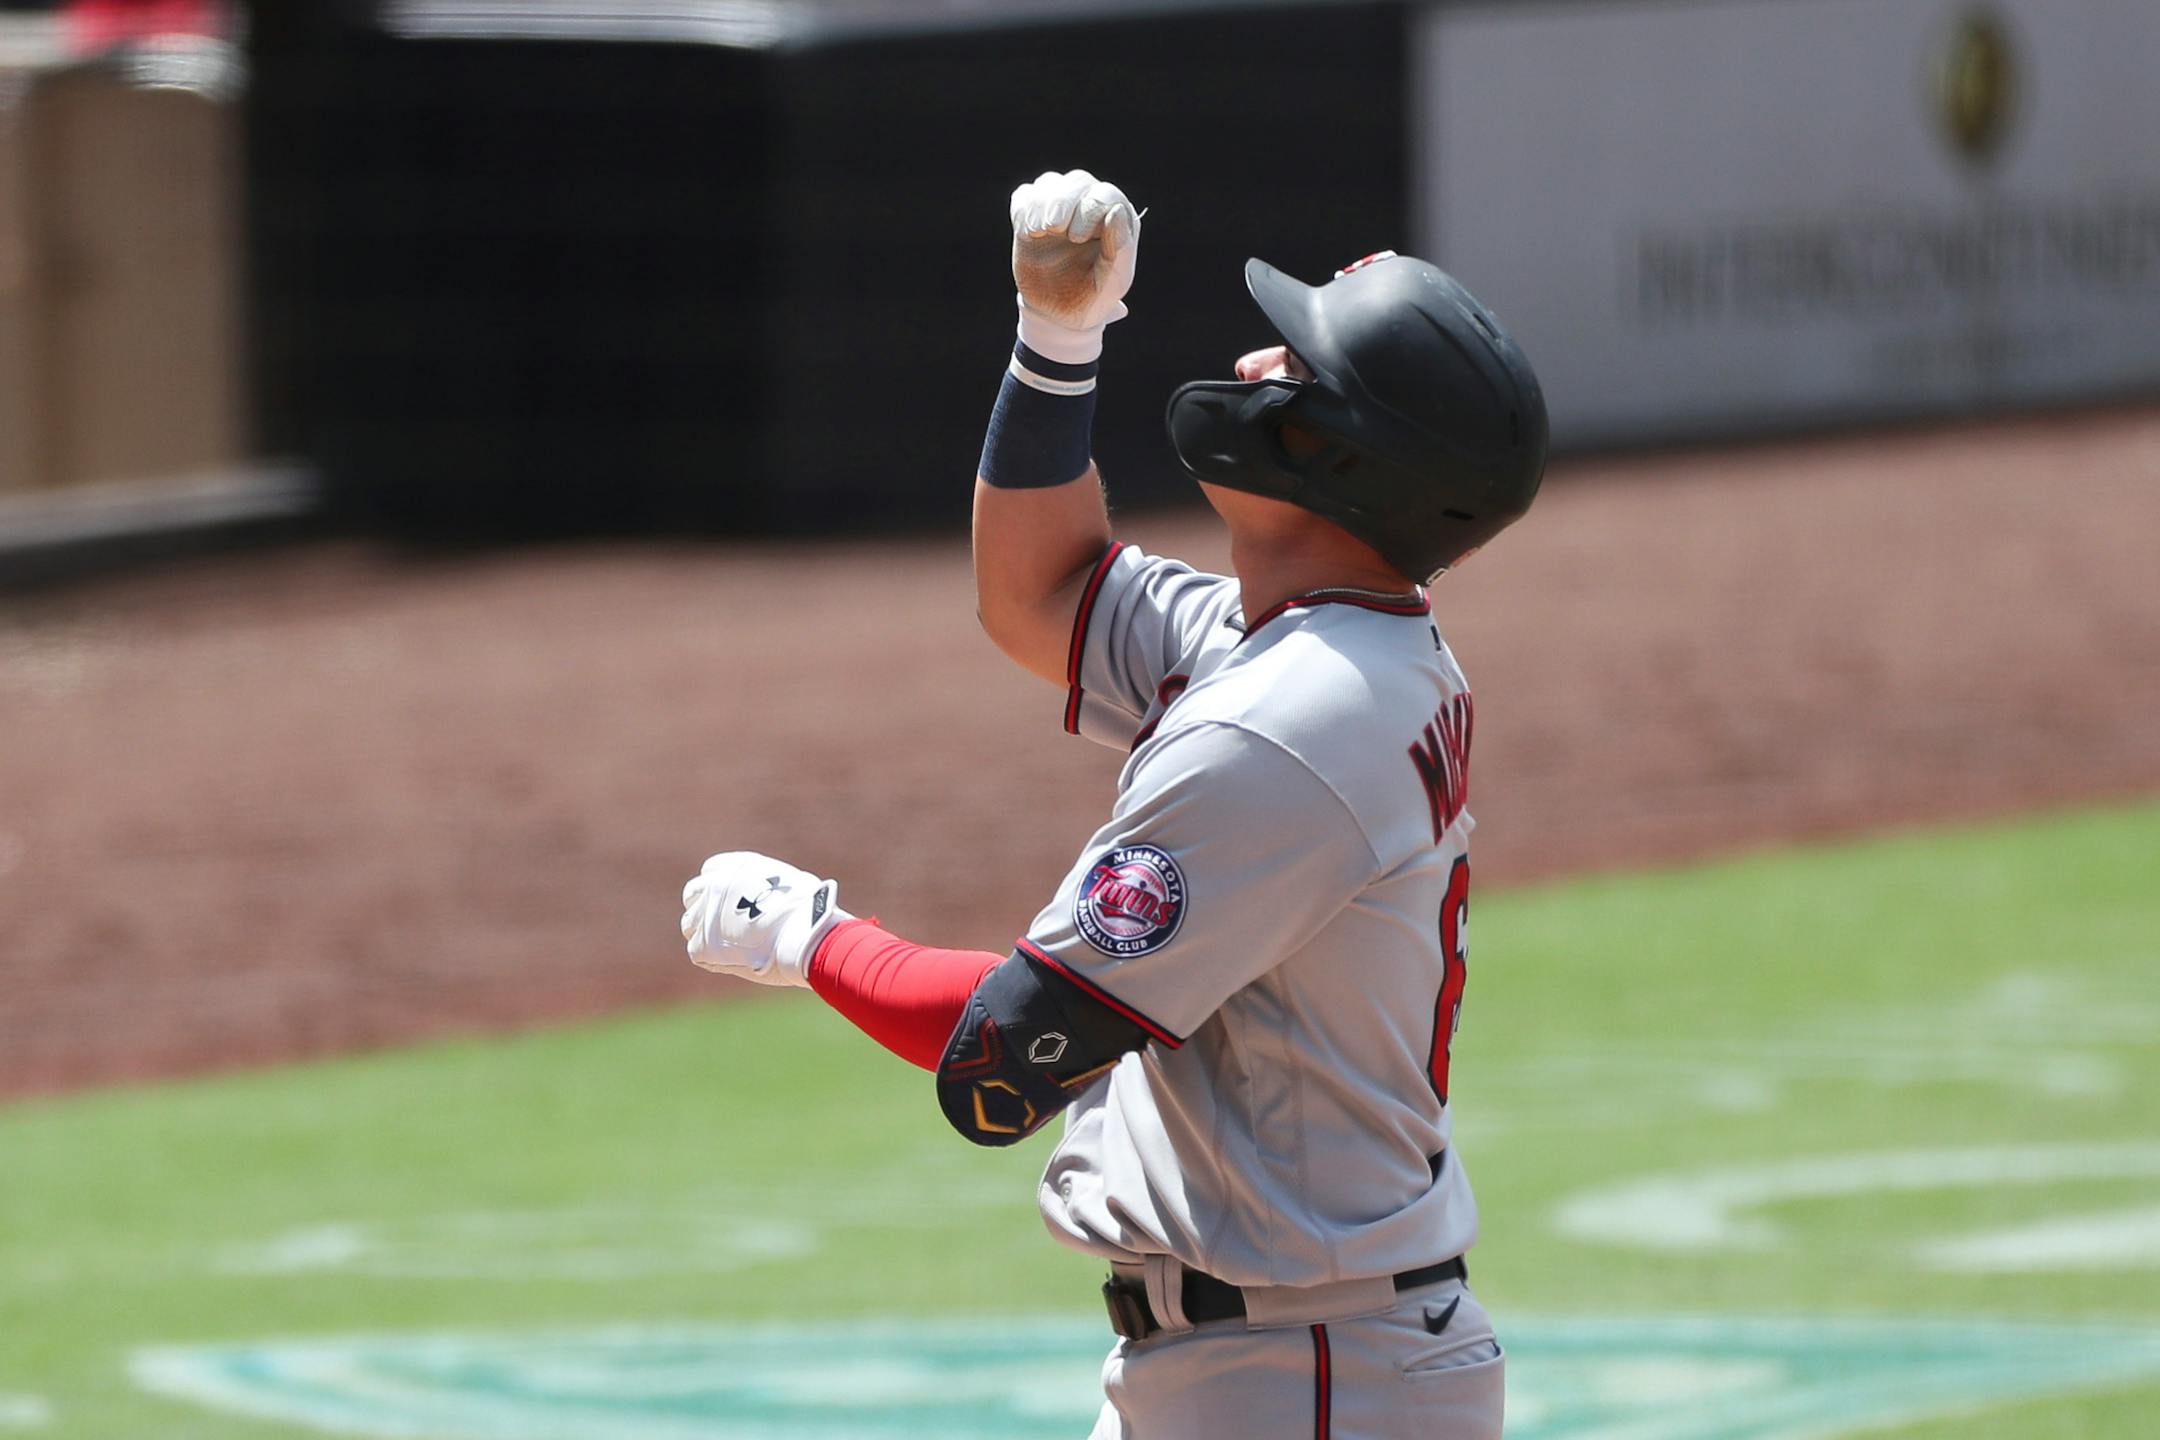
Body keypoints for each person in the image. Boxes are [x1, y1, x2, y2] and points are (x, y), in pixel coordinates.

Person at [680, 168, 1547, 1439]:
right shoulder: (1305, 647)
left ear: (1337, 454)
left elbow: (1007, 1054)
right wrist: (1057, 340)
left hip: (1308, 1378)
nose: (1255, 362)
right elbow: (1037, 593)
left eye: (1294, 369)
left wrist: (810, 940)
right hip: (1282, 1357)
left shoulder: (1290, 725)